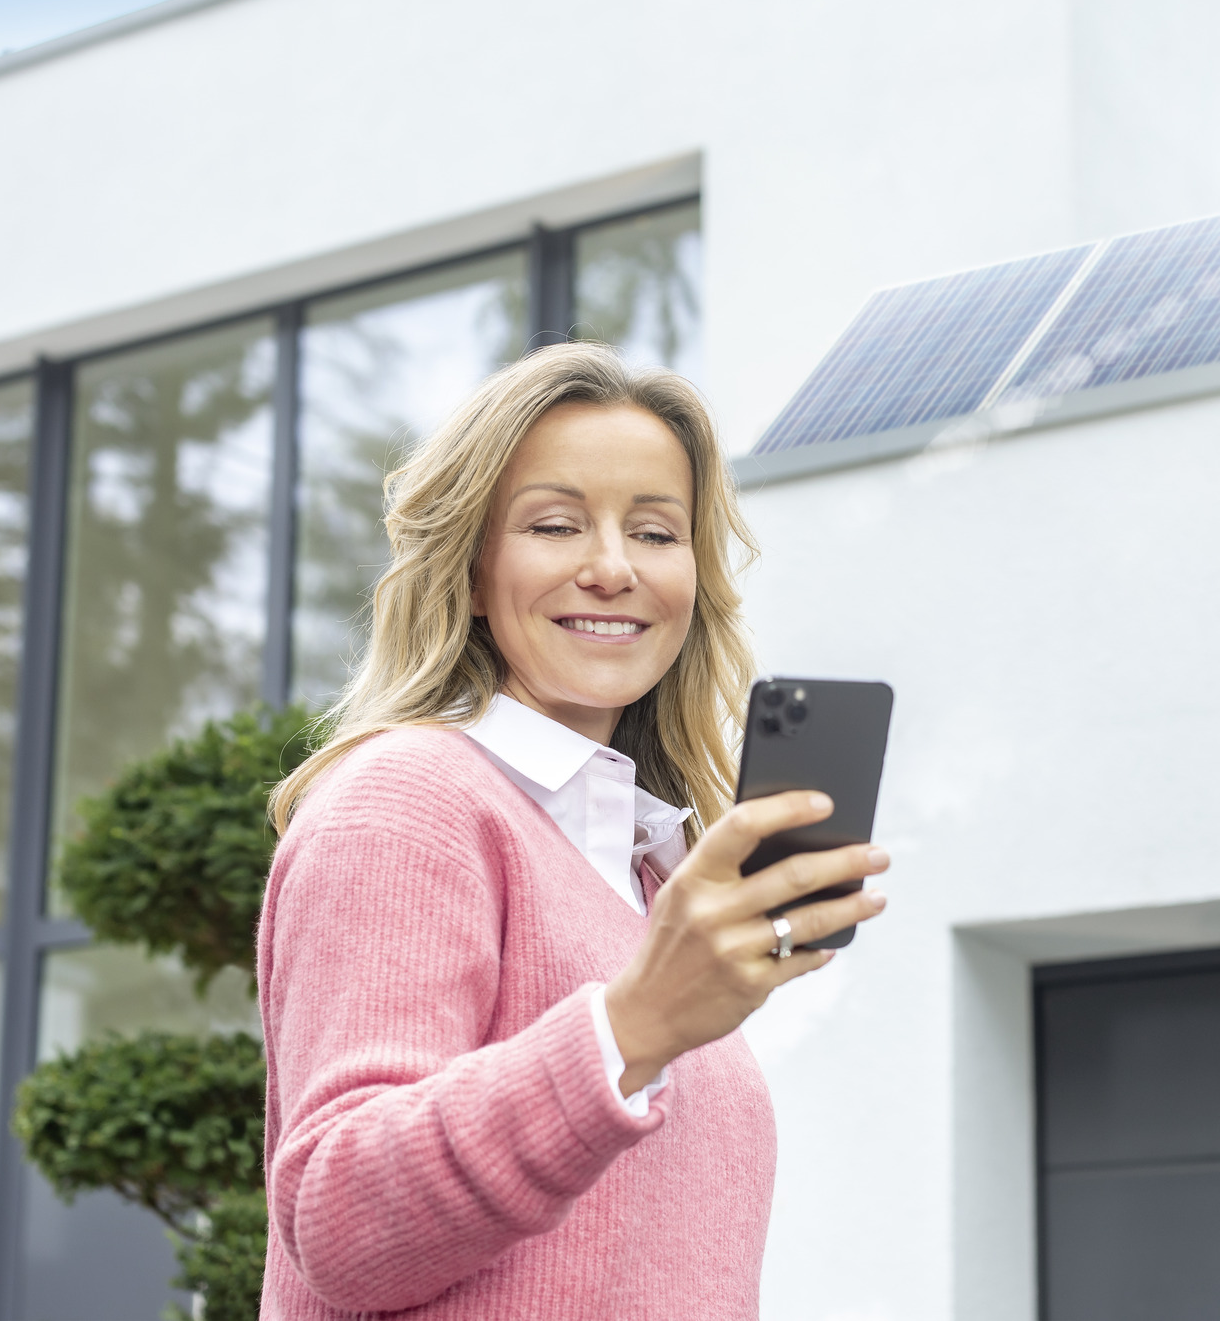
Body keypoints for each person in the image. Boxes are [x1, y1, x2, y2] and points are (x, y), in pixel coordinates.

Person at [258, 343, 891, 1319]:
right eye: (555, 525)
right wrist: (630, 1025)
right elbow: (340, 1223)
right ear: (471, 572)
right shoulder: (406, 801)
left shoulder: (645, 875)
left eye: (654, 531)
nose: (610, 568)